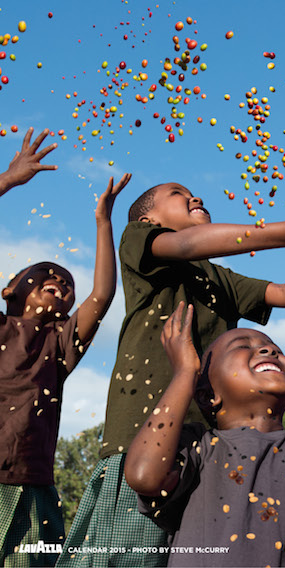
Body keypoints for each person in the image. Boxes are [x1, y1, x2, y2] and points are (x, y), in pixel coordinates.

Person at [58, 178, 285, 567]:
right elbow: (190, 243)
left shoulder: (216, 277)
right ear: (148, 217)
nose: (196, 197)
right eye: (178, 194)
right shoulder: (137, 240)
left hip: (207, 451)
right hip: (143, 445)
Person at [125, 301, 285, 566]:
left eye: (276, 350)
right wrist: (184, 373)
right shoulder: (198, 445)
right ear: (208, 395)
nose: (268, 350)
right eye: (243, 346)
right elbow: (143, 475)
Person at [0, 128, 128, 566]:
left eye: (67, 284)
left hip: (33, 485)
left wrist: (104, 223)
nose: (60, 281)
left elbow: (102, 296)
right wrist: (7, 181)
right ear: (9, 289)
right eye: (45, 274)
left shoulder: (59, 346)